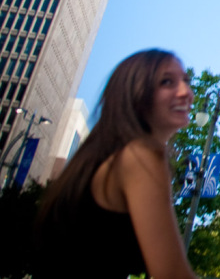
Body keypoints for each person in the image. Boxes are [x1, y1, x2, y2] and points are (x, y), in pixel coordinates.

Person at [34, 49, 199, 279]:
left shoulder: (103, 160)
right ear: (136, 94)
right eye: (167, 82)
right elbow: (172, 275)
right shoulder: (142, 156)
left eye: (185, 81)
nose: (186, 92)